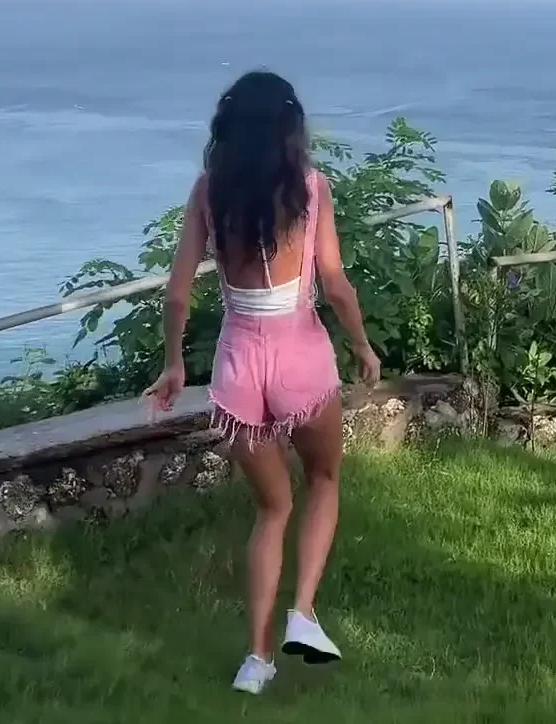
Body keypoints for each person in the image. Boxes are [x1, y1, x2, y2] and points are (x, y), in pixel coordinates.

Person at [143, 69, 381, 696]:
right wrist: (362, 345)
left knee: (272, 509)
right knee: (324, 478)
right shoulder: (311, 188)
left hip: (239, 368)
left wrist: (174, 364)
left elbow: (176, 294)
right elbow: (335, 284)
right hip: (301, 356)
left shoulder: (208, 192)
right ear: (288, 128)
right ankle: (303, 612)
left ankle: (256, 660)